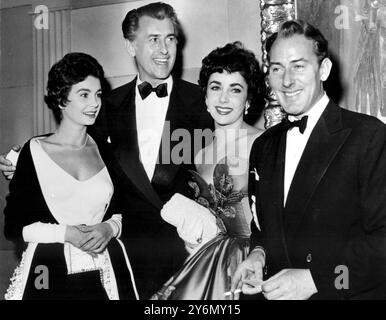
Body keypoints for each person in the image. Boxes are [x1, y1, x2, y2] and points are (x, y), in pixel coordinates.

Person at [0, 2, 213, 299]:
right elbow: (72, 140)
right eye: (153, 39)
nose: (164, 49)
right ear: (130, 46)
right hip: (124, 259)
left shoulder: (204, 104)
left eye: (171, 38)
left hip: (186, 256)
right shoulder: (107, 106)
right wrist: (21, 157)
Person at [231, 19, 386, 300]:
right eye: (277, 69)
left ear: (324, 70)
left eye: (298, 66)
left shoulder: (369, 136)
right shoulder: (263, 146)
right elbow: (262, 227)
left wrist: (318, 280)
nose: (286, 80)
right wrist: (258, 255)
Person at [3, 52, 138, 300]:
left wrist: (110, 228)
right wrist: (67, 234)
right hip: (49, 275)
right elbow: (14, 226)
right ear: (62, 100)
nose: (95, 103)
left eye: (98, 94)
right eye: (84, 94)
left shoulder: (107, 150)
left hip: (107, 272)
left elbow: (125, 209)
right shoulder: (34, 151)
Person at [151, 42, 265, 300]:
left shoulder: (263, 143)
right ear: (205, 97)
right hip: (205, 257)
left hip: (251, 259)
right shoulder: (200, 152)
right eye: (216, 88)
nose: (223, 99)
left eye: (235, 90)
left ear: (248, 100)